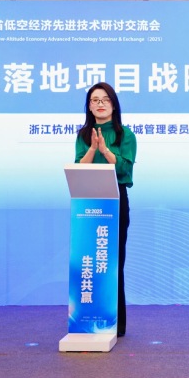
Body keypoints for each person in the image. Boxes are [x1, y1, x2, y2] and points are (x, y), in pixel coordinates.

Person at [75, 82, 137, 337]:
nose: (100, 104)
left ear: (113, 104)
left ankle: (115, 322)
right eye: (95, 100)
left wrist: (105, 150)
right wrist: (92, 148)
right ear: (89, 106)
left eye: (105, 99)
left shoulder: (125, 135)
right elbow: (79, 167)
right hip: (88, 200)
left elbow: (125, 169)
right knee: (89, 261)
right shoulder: (83, 134)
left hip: (116, 199)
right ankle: (88, 317)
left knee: (112, 261)